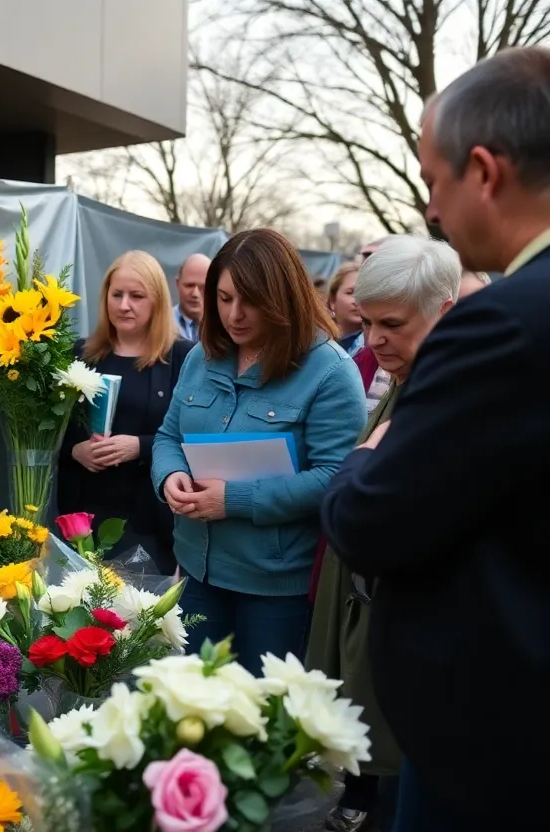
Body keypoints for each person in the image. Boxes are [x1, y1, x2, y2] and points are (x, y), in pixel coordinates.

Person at [322, 47, 550, 831]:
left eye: (432, 182)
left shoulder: (504, 322)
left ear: (484, 171)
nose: (431, 212)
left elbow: (370, 521)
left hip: (495, 742)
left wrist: (360, 460)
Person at [151, 228, 365, 674]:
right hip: (196, 570)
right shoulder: (202, 356)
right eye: (224, 298)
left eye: (251, 300)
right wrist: (168, 476)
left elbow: (335, 477)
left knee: (261, 721)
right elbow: (169, 436)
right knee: (193, 709)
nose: (235, 314)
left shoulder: (330, 371)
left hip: (275, 590)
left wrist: (231, 500)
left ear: (284, 297)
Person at [308, 235, 461, 832]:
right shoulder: (408, 375)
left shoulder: (449, 394)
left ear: (444, 311)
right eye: (367, 322)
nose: (373, 340)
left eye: (391, 324)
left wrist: (363, 462)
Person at [58, 251, 194, 573]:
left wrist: (139, 446)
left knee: (134, 617)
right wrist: (75, 450)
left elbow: (192, 435)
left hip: (147, 517)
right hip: (83, 514)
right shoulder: (80, 354)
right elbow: (51, 432)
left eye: (136, 296)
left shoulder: (182, 358)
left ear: (157, 301)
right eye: (116, 294)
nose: (123, 305)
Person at [328, 263, 365, 355]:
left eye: (364, 293)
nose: (357, 301)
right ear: (332, 300)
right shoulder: (315, 340)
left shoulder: (375, 349)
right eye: (350, 292)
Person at [172, 253, 209, 341]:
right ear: (178, 284)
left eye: (203, 287)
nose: (195, 294)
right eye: (189, 286)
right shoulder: (160, 325)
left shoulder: (225, 327)